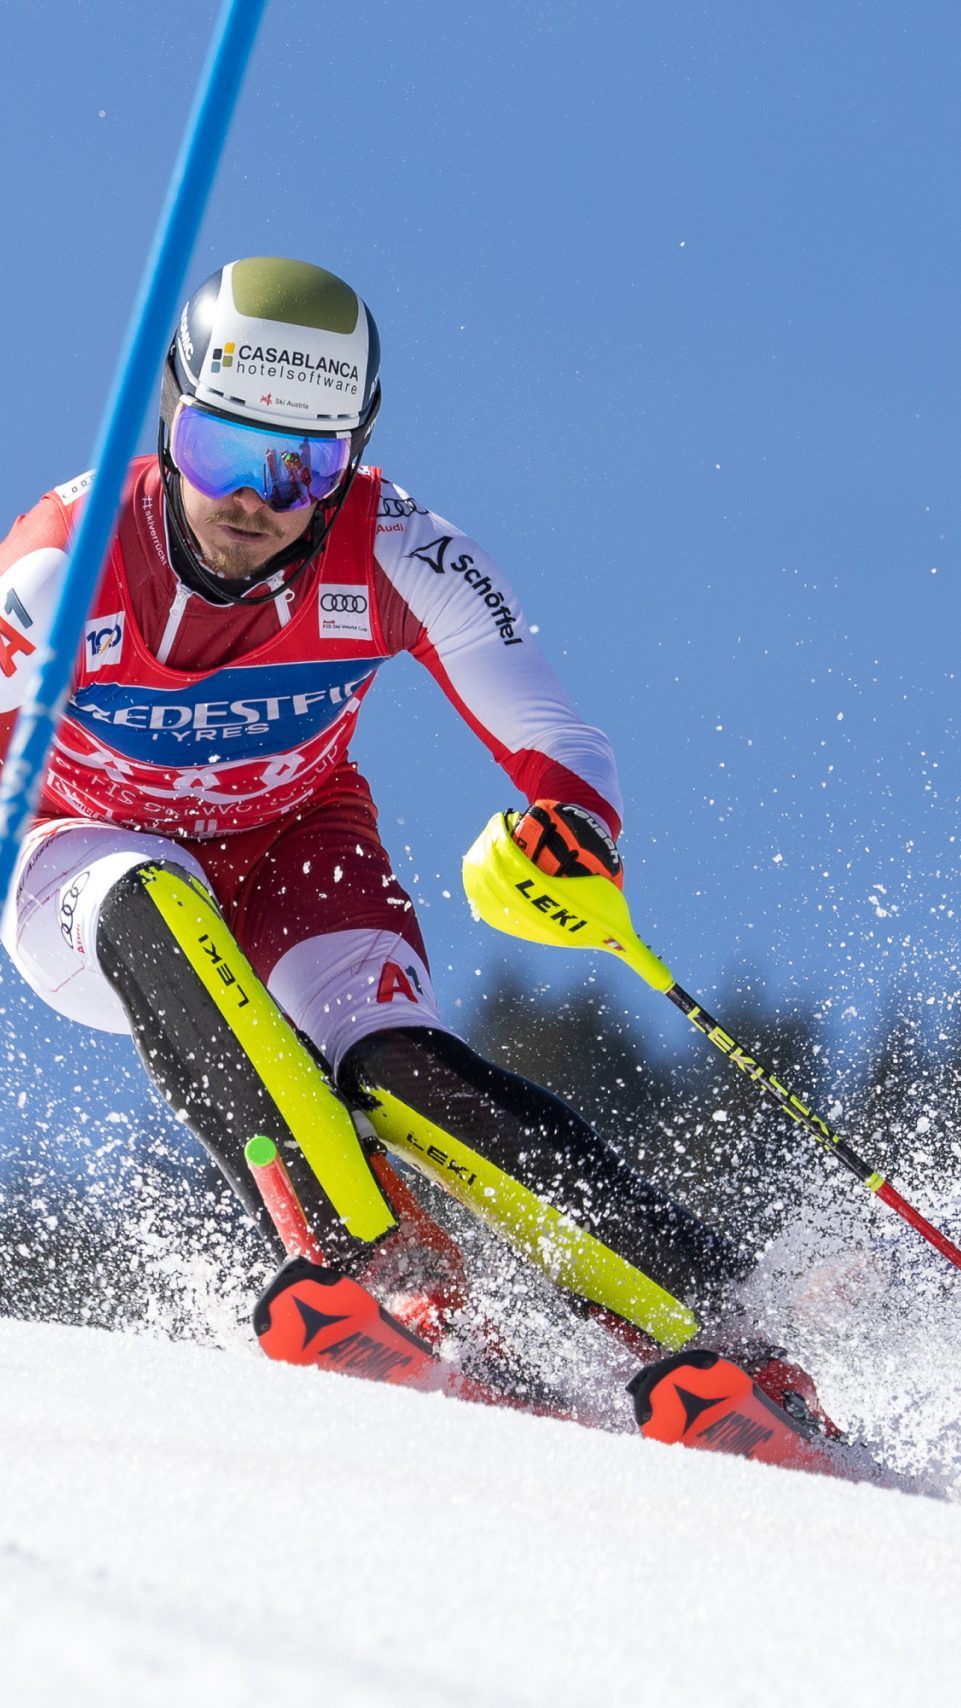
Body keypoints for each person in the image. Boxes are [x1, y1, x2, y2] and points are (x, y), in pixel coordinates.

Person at [0, 256, 751, 1393]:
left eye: (303, 464)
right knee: (144, 895)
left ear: (349, 457)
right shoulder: (63, 565)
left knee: (396, 1067)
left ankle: (723, 1322)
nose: (254, 500)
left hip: (297, 838)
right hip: (84, 855)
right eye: (221, 452)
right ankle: (370, 1261)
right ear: (170, 423)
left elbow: (548, 724)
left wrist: (572, 823)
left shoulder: (395, 544)